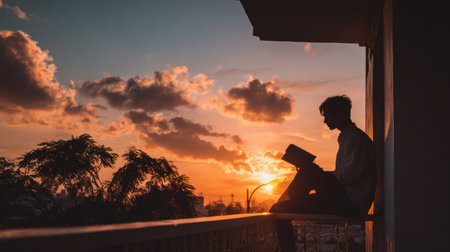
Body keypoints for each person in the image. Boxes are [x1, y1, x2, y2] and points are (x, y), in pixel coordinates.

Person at [270, 95, 376, 252]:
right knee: (278, 208)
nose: (325, 121)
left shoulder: (357, 139)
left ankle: (292, 201)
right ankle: (289, 209)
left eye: (327, 115)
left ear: (340, 113)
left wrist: (322, 175)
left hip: (350, 204)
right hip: (341, 199)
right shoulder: (348, 139)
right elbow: (345, 174)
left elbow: (350, 175)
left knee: (309, 170)